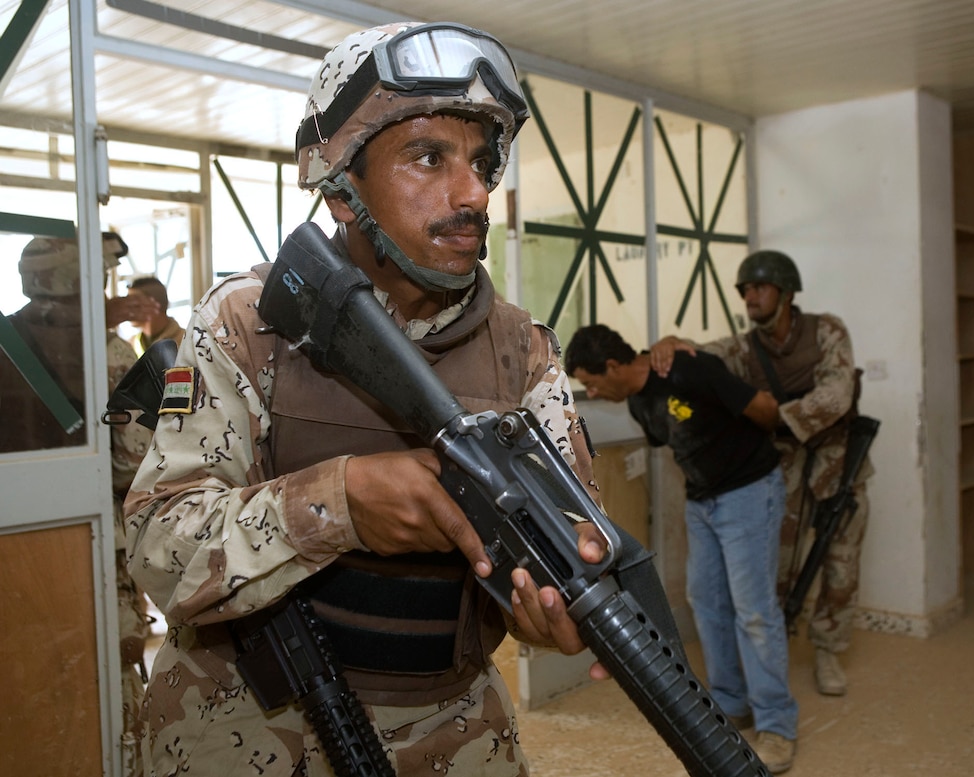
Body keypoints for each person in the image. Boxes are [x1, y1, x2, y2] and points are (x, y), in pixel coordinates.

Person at [123, 22, 609, 777]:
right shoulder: (247, 323)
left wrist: (553, 610)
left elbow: (568, 553)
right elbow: (159, 546)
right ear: (340, 184)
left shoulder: (525, 351)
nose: (473, 191)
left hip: (454, 733)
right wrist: (338, 500)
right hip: (244, 726)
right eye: (428, 157)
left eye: (482, 161)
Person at [564, 323, 799, 774]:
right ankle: (731, 704)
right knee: (706, 602)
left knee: (753, 609)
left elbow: (765, 410)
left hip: (749, 491)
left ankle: (777, 725)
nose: (592, 390)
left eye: (592, 381)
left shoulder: (690, 368)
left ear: (613, 366)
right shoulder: (638, 399)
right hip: (703, 501)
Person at [650, 249, 874, 698]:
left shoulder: (825, 330)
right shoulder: (743, 347)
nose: (750, 296)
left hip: (837, 464)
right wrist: (672, 341)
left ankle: (829, 648)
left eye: (759, 287)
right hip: (783, 470)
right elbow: (701, 355)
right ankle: (773, 654)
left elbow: (837, 393)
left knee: (840, 566)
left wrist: (773, 415)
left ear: (787, 293)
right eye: (745, 289)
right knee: (775, 569)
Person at [0, 232, 154, 776]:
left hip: (19, 547)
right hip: (92, 549)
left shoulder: (5, 340)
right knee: (114, 686)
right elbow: (131, 465)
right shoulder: (105, 349)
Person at [126, 276, 184, 355]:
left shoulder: (187, 343)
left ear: (153, 305)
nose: (127, 307)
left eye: (133, 302)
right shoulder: (129, 345)